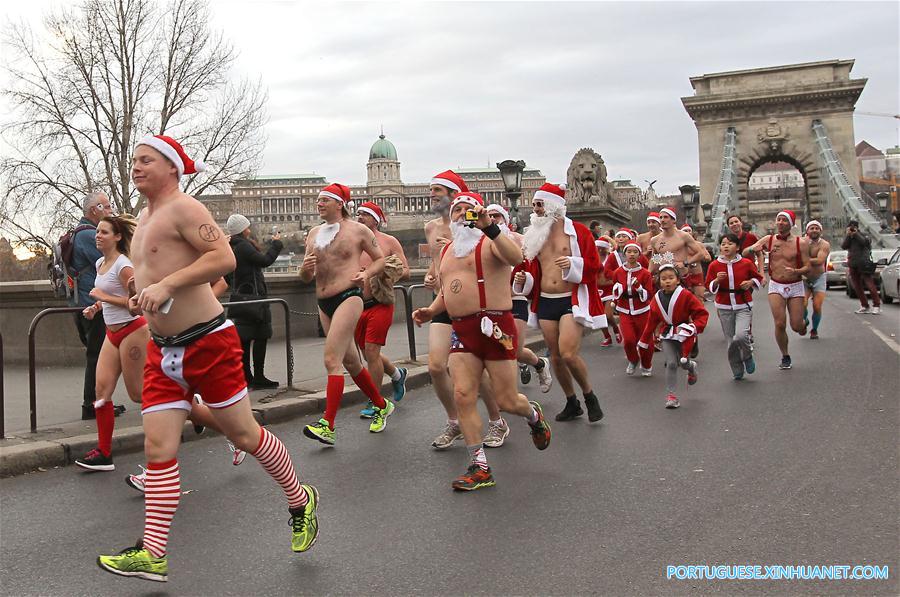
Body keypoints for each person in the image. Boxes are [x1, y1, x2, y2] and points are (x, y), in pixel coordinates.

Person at [97, 135, 318, 583]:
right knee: (157, 447)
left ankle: (300, 499)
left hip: (209, 344)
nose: (136, 167)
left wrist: (168, 286)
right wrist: (143, 294)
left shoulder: (186, 208)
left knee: (244, 435)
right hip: (163, 350)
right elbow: (154, 275)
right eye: (134, 160)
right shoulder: (143, 217)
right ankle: (153, 553)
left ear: (172, 168)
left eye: (146, 160)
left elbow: (222, 259)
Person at [412, 192, 551, 491]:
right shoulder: (448, 250)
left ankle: (533, 415)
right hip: (462, 329)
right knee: (463, 394)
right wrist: (432, 310)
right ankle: (479, 466)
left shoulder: (491, 241)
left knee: (506, 400)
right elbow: (447, 289)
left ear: (479, 213)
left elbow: (516, 258)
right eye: (456, 210)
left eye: (467, 209)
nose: (461, 214)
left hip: (495, 326)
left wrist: (489, 226)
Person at [299, 183, 396, 445]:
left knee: (332, 360)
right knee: (352, 363)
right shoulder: (314, 234)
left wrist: (366, 273)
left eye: (324, 200)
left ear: (339, 203)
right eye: (318, 200)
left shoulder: (358, 230)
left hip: (348, 297)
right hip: (323, 302)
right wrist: (305, 268)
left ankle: (327, 425)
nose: (318, 204)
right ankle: (381, 404)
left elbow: (380, 259)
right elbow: (305, 276)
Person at [423, 170, 507, 450]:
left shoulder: (470, 225)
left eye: (436, 190)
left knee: (475, 370)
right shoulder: (431, 227)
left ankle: (497, 420)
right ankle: (454, 422)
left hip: (474, 306)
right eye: (431, 189)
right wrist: (430, 274)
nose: (431, 194)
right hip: (443, 301)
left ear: (452, 194)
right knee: (436, 366)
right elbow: (438, 264)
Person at [520, 182, 605, 422]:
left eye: (539, 204)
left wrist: (573, 265)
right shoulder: (535, 235)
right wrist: (523, 279)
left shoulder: (577, 231)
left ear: (553, 206)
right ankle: (571, 401)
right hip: (546, 300)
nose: (535, 209)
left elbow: (594, 266)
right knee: (555, 356)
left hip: (571, 299)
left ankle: (589, 396)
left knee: (568, 353)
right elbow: (529, 269)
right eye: (534, 204)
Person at [74, 215, 147, 471]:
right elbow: (108, 295)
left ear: (117, 237)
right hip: (111, 333)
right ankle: (104, 453)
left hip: (133, 330)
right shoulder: (99, 263)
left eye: (104, 232)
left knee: (138, 394)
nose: (98, 236)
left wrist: (102, 296)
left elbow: (136, 305)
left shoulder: (124, 265)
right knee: (101, 392)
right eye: (97, 232)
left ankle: (188, 403)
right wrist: (96, 306)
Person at [353, 201, 411, 418]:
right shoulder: (353, 242)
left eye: (364, 214)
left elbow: (406, 271)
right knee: (369, 356)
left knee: (372, 351)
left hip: (381, 302)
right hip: (357, 304)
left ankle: (375, 401)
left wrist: (385, 269)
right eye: (358, 213)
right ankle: (397, 375)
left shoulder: (388, 241)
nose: (359, 217)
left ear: (375, 219)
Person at [487, 203, 553, 393]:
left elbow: (534, 268)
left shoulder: (520, 240)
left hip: (515, 299)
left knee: (513, 348)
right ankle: (499, 390)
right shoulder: (481, 242)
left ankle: (539, 363)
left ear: (505, 220)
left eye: (496, 216)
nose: (492, 219)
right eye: (489, 215)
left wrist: (525, 278)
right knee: (494, 347)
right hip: (491, 302)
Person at [743, 210, 810, 370]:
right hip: (776, 284)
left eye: (784, 220)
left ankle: (802, 325)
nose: (780, 223)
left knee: (796, 326)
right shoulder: (769, 239)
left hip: (795, 285)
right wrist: (754, 248)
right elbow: (745, 253)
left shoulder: (801, 243)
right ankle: (785, 355)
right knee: (780, 323)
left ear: (791, 224)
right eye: (778, 220)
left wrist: (796, 272)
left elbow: (807, 267)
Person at [225, 213, 283, 389]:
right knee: (260, 336)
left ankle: (246, 376)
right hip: (255, 298)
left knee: (244, 339)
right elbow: (265, 261)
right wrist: (276, 244)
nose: (249, 230)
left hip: (240, 297)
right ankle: (258, 376)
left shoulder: (229, 247)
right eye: (247, 227)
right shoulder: (243, 246)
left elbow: (227, 275)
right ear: (242, 230)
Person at [638, 264, 709, 408]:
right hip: (667, 334)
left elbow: (701, 313)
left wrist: (694, 326)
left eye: (671, 278)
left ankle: (691, 367)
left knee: (683, 362)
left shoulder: (686, 295)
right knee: (671, 363)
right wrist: (644, 340)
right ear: (659, 281)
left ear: (677, 280)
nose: (667, 281)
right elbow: (651, 321)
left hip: (684, 333)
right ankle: (672, 396)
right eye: (663, 279)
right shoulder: (657, 298)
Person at [71, 192, 115, 420]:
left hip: (82, 303)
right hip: (93, 305)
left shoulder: (78, 233)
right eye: (106, 207)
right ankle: (92, 404)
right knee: (97, 356)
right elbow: (110, 260)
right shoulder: (90, 235)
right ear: (94, 210)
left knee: (99, 355)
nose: (110, 211)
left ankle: (101, 401)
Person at [705, 233, 763, 380]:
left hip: (743, 304)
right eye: (723, 243)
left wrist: (750, 283)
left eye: (730, 243)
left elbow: (758, 278)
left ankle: (748, 356)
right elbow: (709, 286)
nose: (726, 246)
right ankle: (737, 367)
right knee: (731, 341)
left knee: (742, 335)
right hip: (724, 306)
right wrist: (717, 281)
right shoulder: (714, 265)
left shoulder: (745, 263)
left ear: (737, 247)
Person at [610, 241, 655, 377]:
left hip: (642, 310)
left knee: (645, 341)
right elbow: (615, 288)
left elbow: (649, 294)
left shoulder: (645, 273)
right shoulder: (618, 272)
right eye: (629, 252)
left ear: (639, 254)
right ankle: (633, 360)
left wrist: (639, 288)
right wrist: (615, 298)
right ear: (625, 254)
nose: (632, 254)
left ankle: (647, 365)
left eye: (635, 252)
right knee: (628, 340)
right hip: (624, 310)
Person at [841, 219, 882, 315]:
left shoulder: (864, 234)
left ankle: (876, 306)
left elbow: (865, 242)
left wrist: (856, 234)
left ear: (857, 227)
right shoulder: (849, 237)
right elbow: (843, 246)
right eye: (850, 227)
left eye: (853, 227)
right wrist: (848, 235)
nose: (852, 229)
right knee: (857, 287)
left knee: (869, 284)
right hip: (853, 264)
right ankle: (864, 306)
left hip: (864, 263)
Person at [802, 220, 831, 338]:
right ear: (807, 230)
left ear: (820, 231)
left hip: (819, 277)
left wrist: (803, 260)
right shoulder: (801, 242)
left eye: (817, 228)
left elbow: (820, 261)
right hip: (804, 278)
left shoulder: (824, 244)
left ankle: (814, 329)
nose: (814, 230)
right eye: (811, 228)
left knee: (817, 306)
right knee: (802, 305)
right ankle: (805, 319)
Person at [594, 236, 620, 347]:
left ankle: (616, 329)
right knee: (598, 317)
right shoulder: (592, 258)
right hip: (596, 290)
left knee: (608, 315)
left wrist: (608, 238)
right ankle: (607, 337)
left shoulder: (611, 257)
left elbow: (617, 248)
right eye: (597, 247)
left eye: (601, 247)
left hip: (609, 290)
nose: (599, 249)